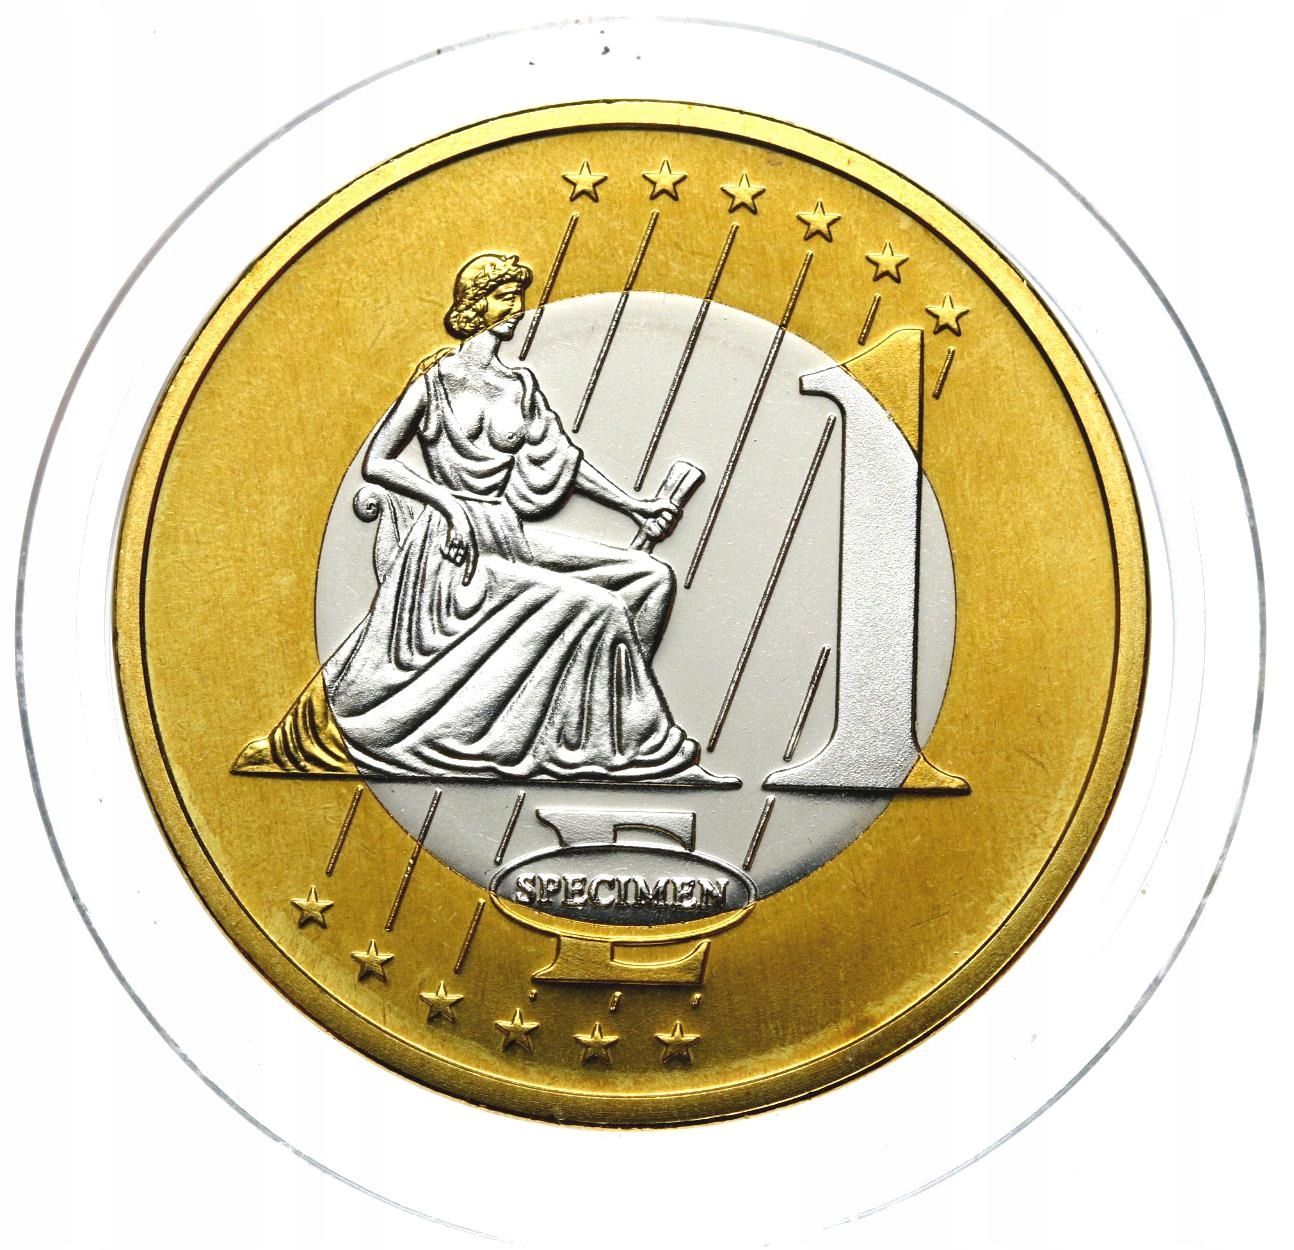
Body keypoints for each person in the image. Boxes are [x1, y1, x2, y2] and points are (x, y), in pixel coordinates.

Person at [235, 252, 716, 783]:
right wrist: (447, 505)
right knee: (596, 605)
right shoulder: (435, 383)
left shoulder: (519, 384)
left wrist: (633, 504)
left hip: (503, 531)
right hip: (448, 551)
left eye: (519, 298)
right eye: (504, 298)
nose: (517, 309)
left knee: (650, 577)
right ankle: (616, 742)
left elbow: (563, 460)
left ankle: (593, 717)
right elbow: (378, 461)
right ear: (475, 306)